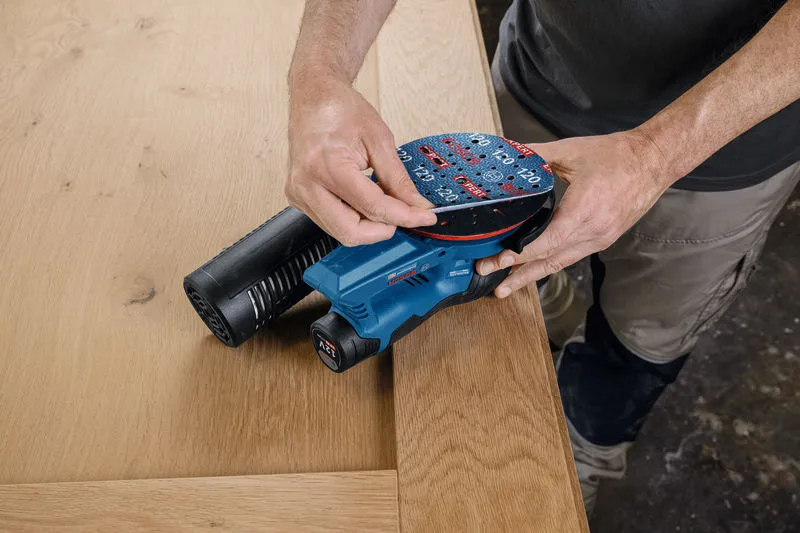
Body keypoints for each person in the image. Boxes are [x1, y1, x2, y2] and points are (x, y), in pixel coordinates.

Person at [285, 0, 800, 516]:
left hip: (722, 153)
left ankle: (581, 456)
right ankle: (551, 308)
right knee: (505, 273)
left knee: (636, 345)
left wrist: (654, 154)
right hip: (538, 86)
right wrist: (319, 78)